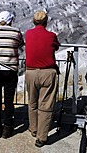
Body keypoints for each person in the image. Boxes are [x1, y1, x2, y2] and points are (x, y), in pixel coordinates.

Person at [25, 11, 60, 147]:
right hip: (47, 72)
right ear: (46, 22)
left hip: (31, 72)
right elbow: (56, 46)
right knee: (45, 105)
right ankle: (41, 136)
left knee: (32, 102)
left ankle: (33, 128)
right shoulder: (51, 36)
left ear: (34, 21)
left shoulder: (28, 34)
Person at [0, 11, 24, 139]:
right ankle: (8, 127)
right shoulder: (16, 32)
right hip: (10, 69)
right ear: (10, 21)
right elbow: (20, 44)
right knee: (9, 100)